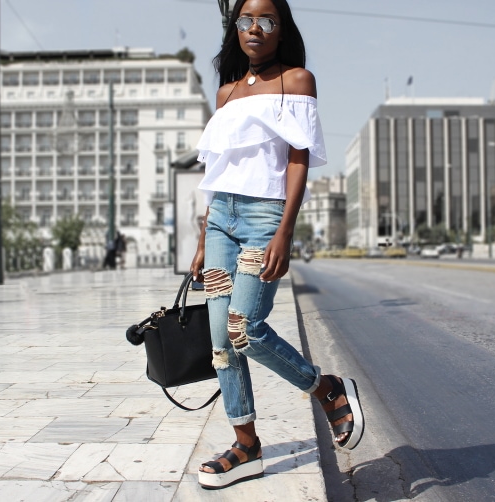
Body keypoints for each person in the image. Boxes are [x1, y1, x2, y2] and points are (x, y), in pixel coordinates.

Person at [190, 0, 364, 490]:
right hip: (222, 217)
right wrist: (204, 238)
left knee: (246, 328)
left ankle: (326, 388)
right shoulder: (225, 93)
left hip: (266, 216)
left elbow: (297, 160)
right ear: (236, 28)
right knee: (221, 343)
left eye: (266, 20)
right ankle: (246, 444)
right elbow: (217, 172)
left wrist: (285, 230)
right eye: (245, 19)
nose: (254, 28)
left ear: (280, 27)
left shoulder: (297, 81)